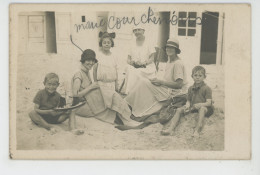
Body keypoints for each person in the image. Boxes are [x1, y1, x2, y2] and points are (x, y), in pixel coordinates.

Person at [116, 38, 188, 130]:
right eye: (167, 48)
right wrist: (158, 81)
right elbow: (168, 80)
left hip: (175, 95)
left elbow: (179, 85)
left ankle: (126, 107)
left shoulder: (177, 63)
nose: (169, 50)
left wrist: (161, 82)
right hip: (167, 89)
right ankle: (127, 106)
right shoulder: (170, 61)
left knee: (144, 82)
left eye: (172, 48)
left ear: (176, 50)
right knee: (144, 81)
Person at [69, 49, 138, 131]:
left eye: (92, 61)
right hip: (80, 106)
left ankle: (126, 119)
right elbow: (75, 94)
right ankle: (125, 121)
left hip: (88, 101)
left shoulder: (86, 72)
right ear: (83, 61)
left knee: (110, 97)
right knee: (106, 107)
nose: (91, 63)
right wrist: (91, 87)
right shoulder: (78, 74)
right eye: (88, 60)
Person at [161, 66, 214, 137]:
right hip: (194, 107)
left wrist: (200, 104)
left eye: (200, 75)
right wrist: (187, 105)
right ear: (192, 76)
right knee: (179, 109)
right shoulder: (190, 88)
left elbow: (209, 102)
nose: (197, 77)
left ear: (204, 77)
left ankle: (197, 131)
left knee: (202, 109)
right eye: (195, 75)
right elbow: (188, 100)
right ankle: (171, 129)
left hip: (206, 108)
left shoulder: (207, 88)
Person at [124, 26, 157, 94]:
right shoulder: (131, 42)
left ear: (143, 31)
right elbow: (128, 59)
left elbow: (152, 58)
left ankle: (135, 92)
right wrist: (131, 62)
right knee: (130, 69)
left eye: (139, 30)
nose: (137, 32)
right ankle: (132, 93)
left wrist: (144, 63)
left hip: (147, 67)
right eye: (135, 30)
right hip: (134, 66)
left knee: (136, 72)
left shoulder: (149, 41)